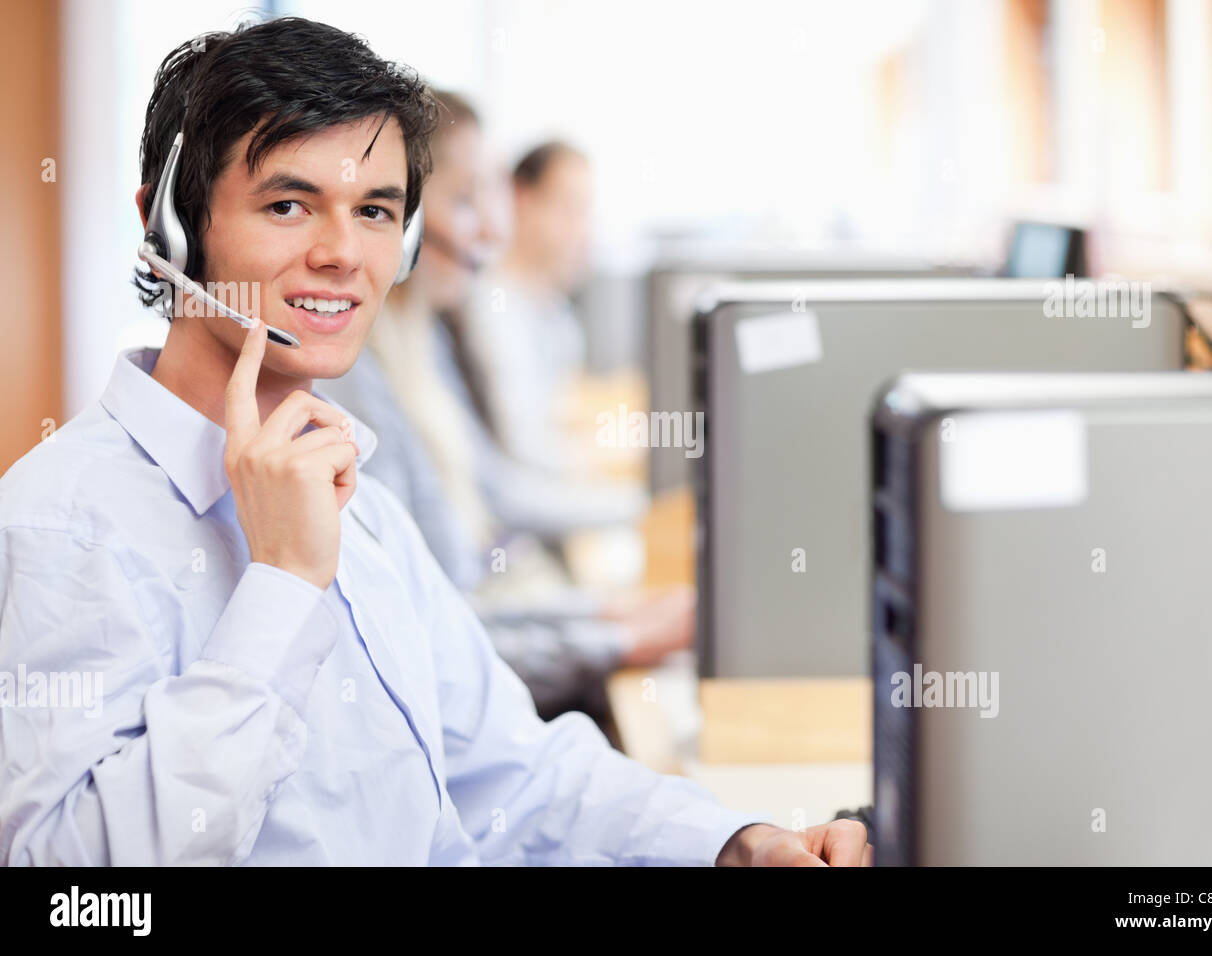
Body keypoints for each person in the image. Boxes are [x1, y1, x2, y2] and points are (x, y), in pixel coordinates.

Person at [0, 17, 868, 867]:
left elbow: (515, 777)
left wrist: (735, 842)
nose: (344, 253)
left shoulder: (360, 503)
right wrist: (280, 587)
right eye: (289, 203)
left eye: (375, 211)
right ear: (168, 228)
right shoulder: (63, 528)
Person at [323, 92, 690, 725]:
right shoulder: (354, 375)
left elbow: (480, 523)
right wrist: (609, 634)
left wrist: (605, 614)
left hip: (502, 640)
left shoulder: (420, 344)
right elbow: (434, 626)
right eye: (464, 202)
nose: (491, 232)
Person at [463, 141, 594, 475]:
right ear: (522, 198)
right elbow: (526, 446)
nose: (582, 229)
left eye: (586, 211)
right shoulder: (491, 304)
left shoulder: (555, 309)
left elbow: (571, 414)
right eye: (569, 208)